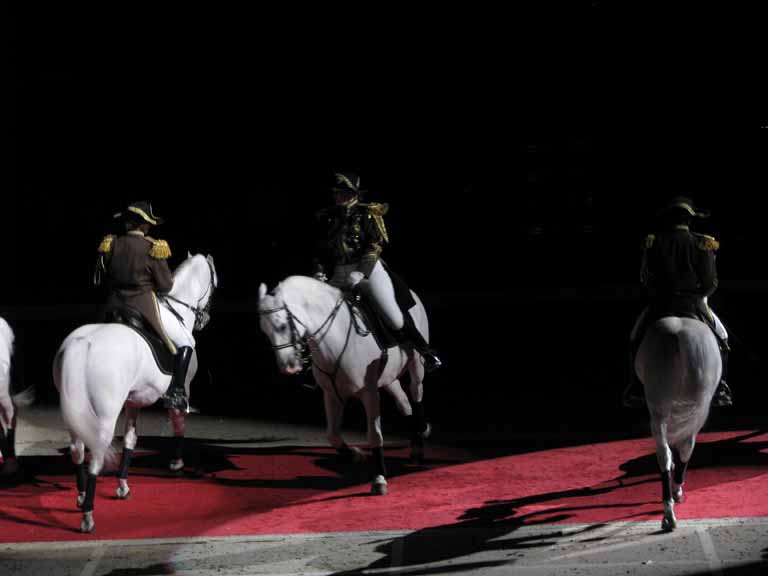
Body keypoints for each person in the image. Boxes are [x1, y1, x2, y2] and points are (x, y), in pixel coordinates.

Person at [311, 172, 442, 372]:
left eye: (342, 192)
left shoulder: (367, 213)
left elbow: (374, 245)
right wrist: (319, 272)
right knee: (317, 311)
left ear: (353, 193)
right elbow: (321, 250)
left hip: (369, 270)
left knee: (394, 317)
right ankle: (312, 363)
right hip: (339, 272)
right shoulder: (328, 217)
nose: (337, 196)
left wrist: (361, 272)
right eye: (336, 192)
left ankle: (425, 351)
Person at [623, 196, 733, 408]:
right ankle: (721, 387)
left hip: (661, 304)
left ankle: (635, 387)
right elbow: (710, 282)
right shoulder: (702, 242)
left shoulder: (654, 242)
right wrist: (700, 294)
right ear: (690, 220)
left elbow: (646, 278)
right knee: (723, 338)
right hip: (694, 303)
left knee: (635, 338)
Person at [94, 200, 193, 412]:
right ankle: (176, 393)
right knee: (185, 343)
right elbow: (166, 286)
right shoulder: (154, 247)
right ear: (145, 226)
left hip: (112, 303)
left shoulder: (110, 243)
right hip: (142, 303)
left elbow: (101, 278)